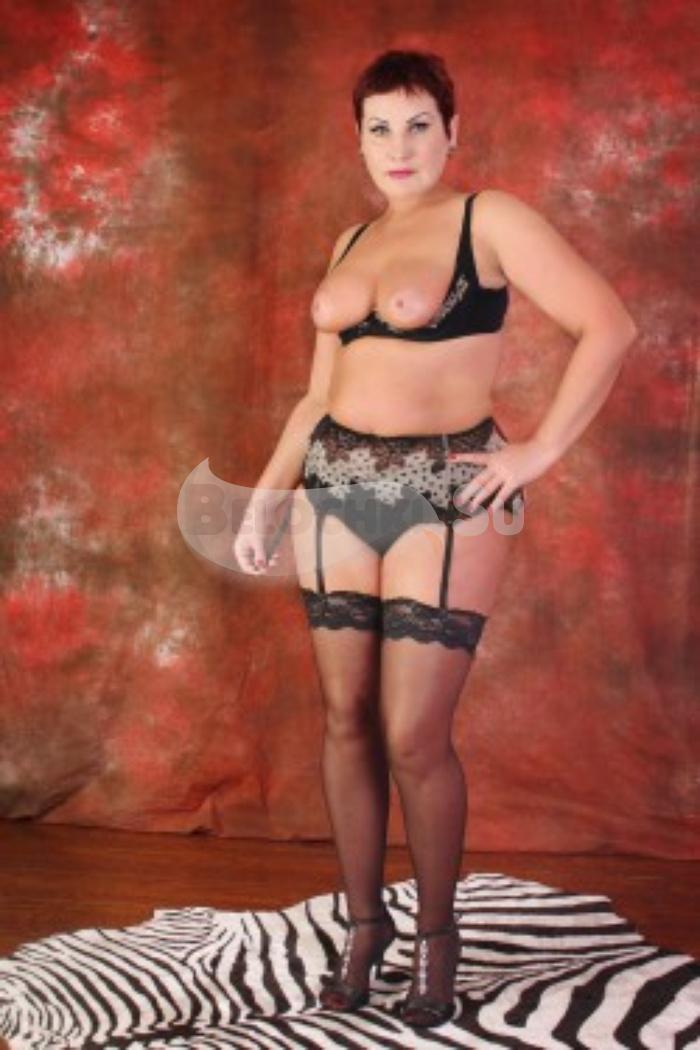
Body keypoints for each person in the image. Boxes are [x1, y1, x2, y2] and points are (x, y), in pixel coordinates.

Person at [233, 49, 637, 1029]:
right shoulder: (349, 241)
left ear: (452, 132)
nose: (399, 145)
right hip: (338, 484)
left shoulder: (486, 219)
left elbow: (610, 326)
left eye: (419, 124)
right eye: (379, 128)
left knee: (414, 734)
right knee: (345, 718)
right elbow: (318, 397)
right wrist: (266, 496)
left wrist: (538, 451)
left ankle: (437, 938)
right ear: (358, 142)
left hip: (445, 490)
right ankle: (364, 927)